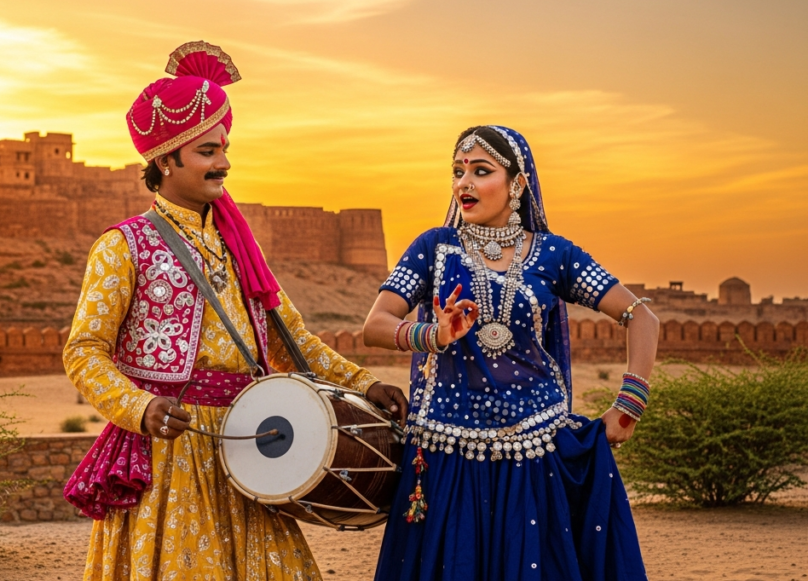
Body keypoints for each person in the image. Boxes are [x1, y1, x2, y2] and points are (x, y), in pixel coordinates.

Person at [62, 41, 408, 581]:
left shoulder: (237, 246)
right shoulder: (123, 246)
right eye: (207, 151)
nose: (223, 163)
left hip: (253, 444)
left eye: (224, 148)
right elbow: (84, 352)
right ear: (165, 160)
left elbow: (291, 340)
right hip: (172, 450)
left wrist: (364, 385)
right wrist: (140, 408)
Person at [364, 125, 658, 581]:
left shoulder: (554, 254)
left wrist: (629, 404)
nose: (464, 183)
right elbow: (376, 325)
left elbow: (641, 315)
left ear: (517, 184)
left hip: (534, 457)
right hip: (446, 458)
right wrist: (434, 334)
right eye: (458, 172)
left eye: (481, 171)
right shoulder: (434, 248)